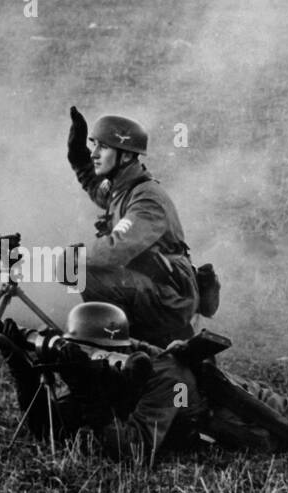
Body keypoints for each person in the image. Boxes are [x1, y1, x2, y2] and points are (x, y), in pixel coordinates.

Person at [0, 301, 288, 464]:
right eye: (84, 354)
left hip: (242, 412)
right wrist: (23, 372)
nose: (89, 361)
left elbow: (131, 452)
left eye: (95, 354)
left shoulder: (160, 374)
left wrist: (88, 392)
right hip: (194, 417)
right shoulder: (107, 373)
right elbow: (48, 430)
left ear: (123, 352)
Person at [66, 106, 199, 348]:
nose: (94, 153)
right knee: (81, 270)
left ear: (126, 156)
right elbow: (99, 191)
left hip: (171, 299)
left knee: (87, 274)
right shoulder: (123, 187)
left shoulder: (147, 199)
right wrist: (79, 160)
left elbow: (116, 249)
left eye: (103, 147)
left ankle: (130, 343)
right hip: (156, 288)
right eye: (93, 144)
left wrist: (75, 256)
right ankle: (130, 340)